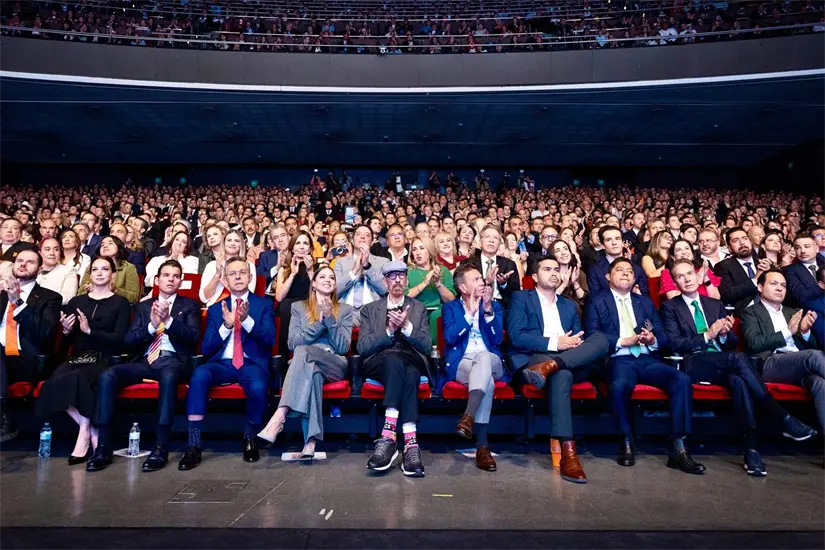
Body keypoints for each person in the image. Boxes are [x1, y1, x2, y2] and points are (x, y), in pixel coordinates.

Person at [661, 258, 817, 476]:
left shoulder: (715, 305)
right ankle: (780, 416)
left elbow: (733, 340)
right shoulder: (670, 307)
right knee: (738, 360)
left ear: (699, 276)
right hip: (693, 362)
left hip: (721, 361)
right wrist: (708, 334)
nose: (686, 279)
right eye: (680, 276)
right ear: (675, 281)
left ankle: (751, 450)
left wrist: (724, 335)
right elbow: (675, 344)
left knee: (739, 380)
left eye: (690, 273)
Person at [584, 259, 704, 474]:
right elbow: (593, 333)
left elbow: (663, 334)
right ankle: (626, 439)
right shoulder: (596, 300)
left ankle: (679, 446)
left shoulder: (645, 302)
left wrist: (652, 339)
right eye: (619, 270)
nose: (625, 274)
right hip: (618, 358)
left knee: (681, 380)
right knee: (619, 385)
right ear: (608, 277)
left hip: (647, 359)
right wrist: (623, 341)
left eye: (630, 271)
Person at [87, 259, 200, 472]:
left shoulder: (189, 305)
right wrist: (152, 326)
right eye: (166, 275)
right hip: (145, 361)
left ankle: (161, 446)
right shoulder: (144, 306)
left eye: (176, 276)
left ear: (181, 281)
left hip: (174, 361)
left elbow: (193, 337)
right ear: (156, 280)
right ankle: (102, 446)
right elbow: (129, 340)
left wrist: (169, 321)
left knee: (168, 376)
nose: (171, 279)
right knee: (108, 375)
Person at [507, 256, 610, 484]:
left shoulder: (568, 304)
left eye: (557, 269)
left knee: (601, 340)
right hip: (537, 356)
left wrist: (572, 346)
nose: (554, 273)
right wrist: (556, 343)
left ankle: (552, 367)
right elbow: (517, 336)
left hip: (566, 358)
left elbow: (578, 336)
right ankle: (569, 453)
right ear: (534, 276)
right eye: (547, 269)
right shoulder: (521, 298)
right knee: (562, 374)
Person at [179, 257, 276, 470]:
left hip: (251, 363)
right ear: (225, 279)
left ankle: (250, 438)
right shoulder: (215, 309)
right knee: (199, 376)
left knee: (259, 386)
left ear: (250, 277)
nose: (238, 276)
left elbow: (269, 340)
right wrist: (226, 325)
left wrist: (247, 320)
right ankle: (193, 445)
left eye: (242, 272)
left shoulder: (264, 305)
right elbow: (206, 349)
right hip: (222, 364)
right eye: (233, 273)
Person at [36, 256, 131, 465]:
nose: (99, 273)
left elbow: (120, 340)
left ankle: (83, 437)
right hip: (78, 357)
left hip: (104, 358)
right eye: (95, 269)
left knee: (79, 379)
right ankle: (90, 431)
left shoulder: (120, 303)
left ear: (112, 274)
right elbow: (68, 339)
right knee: (53, 383)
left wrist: (90, 331)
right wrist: (68, 331)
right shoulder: (77, 302)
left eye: (105, 269)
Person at [257, 267, 353, 457]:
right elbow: (292, 343)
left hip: (334, 363)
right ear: (314, 284)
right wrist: (319, 324)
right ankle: (310, 442)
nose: (327, 280)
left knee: (303, 353)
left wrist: (330, 320)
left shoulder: (344, 310)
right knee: (312, 372)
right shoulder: (299, 308)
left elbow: (342, 347)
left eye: (331, 277)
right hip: (307, 364)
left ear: (335, 285)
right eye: (322, 277)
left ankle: (280, 414)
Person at [741, 268, 825, 467]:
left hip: (798, 363)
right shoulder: (751, 312)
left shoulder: (792, 312)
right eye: (774, 284)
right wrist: (788, 331)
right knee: (814, 357)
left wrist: (804, 333)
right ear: (760, 287)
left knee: (820, 383)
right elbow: (754, 344)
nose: (780, 288)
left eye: (783, 285)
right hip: (771, 363)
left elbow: (810, 347)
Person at [358, 261, 431, 477]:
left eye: (401, 276)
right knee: (400, 365)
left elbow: (426, 346)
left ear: (407, 281)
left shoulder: (418, 308)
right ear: (385, 282)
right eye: (392, 276)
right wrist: (389, 330)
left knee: (408, 370)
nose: (397, 280)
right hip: (380, 360)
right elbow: (363, 347)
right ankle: (409, 443)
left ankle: (393, 439)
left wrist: (407, 328)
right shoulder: (370, 310)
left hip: (411, 358)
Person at [440, 263, 507, 471]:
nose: (482, 282)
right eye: (476, 279)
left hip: (491, 360)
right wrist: (469, 314)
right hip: (463, 362)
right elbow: (450, 338)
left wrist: (486, 310)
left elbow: (496, 340)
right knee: (486, 381)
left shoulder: (493, 305)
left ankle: (468, 416)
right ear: (462, 287)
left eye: (481, 279)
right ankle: (482, 446)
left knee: (485, 357)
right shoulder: (451, 308)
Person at [0, 250, 62, 442]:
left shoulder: (49, 298)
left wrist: (16, 302)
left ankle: (4, 416)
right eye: (19, 261)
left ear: (40, 268)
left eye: (30, 262)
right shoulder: (0, 295)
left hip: (26, 359)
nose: (23, 264)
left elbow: (44, 333)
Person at [334, 225, 388, 327]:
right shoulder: (341, 262)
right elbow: (334, 291)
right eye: (358, 234)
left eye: (367, 235)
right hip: (346, 312)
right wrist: (354, 271)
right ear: (352, 241)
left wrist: (367, 266)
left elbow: (384, 289)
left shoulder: (382, 261)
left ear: (372, 242)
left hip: (373, 311)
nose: (362, 237)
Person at [406, 236, 455, 343]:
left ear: (429, 250)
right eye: (414, 249)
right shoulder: (408, 271)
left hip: (437, 311)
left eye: (422, 248)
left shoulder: (442, 270)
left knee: (436, 315)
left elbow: (451, 300)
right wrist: (424, 284)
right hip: (415, 311)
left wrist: (438, 284)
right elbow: (404, 297)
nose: (418, 252)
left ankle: (433, 351)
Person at [275, 231, 315, 354]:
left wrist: (310, 272)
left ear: (310, 248)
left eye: (305, 243)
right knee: (286, 306)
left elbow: (319, 294)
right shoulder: (284, 269)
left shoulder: (318, 267)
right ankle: (285, 358)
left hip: (310, 304)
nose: (302, 247)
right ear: (292, 248)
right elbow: (279, 297)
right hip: (289, 307)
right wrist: (292, 274)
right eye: (298, 243)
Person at [714, 227, 769, 314]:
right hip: (745, 314)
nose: (742, 243)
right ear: (729, 248)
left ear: (750, 242)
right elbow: (728, 294)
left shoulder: (763, 262)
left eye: (745, 238)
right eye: (736, 240)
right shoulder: (723, 266)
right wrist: (755, 279)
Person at [464, 225, 521, 309]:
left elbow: (516, 293)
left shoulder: (509, 264)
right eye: (487, 237)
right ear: (480, 242)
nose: (491, 240)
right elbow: (463, 288)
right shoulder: (468, 264)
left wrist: (504, 284)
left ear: (499, 244)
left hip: (501, 306)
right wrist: (486, 282)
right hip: (475, 305)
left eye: (495, 238)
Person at [587, 226, 649, 297]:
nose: (614, 243)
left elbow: (645, 298)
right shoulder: (595, 270)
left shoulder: (637, 269)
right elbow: (595, 299)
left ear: (622, 242)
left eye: (617, 239)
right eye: (608, 240)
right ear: (603, 245)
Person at [200, 230, 257, 307]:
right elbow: (204, 298)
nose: (232, 243)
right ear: (224, 243)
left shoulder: (249, 266)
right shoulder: (211, 265)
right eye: (229, 240)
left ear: (241, 244)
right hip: (214, 308)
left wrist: (226, 284)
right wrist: (217, 276)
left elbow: (248, 296)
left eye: (236, 241)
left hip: (240, 308)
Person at [78, 236, 140, 304]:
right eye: (102, 245)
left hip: (116, 306)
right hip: (91, 304)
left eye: (110, 243)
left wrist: (115, 289)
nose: (105, 246)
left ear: (118, 247)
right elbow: (81, 293)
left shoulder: (128, 267)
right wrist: (90, 291)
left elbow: (133, 298)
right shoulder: (92, 266)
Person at [783, 233, 825, 307]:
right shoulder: (789, 271)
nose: (802, 251)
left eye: (807, 247)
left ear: (817, 249)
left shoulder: (823, 264)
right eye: (798, 248)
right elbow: (801, 296)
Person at [36, 238, 78, 305]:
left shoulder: (68, 271)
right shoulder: (33, 269)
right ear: (40, 252)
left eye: (56, 249)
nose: (52, 253)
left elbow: (68, 298)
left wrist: (42, 302)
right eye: (47, 249)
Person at [549, 238, 588, 308]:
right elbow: (547, 302)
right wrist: (564, 284)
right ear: (552, 255)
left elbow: (586, 302)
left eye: (565, 249)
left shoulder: (579, 273)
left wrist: (575, 283)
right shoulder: (549, 276)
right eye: (557, 251)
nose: (563, 252)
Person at [256, 225, 289, 294]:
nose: (280, 240)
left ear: (288, 236)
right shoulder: (265, 256)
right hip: (270, 296)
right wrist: (276, 268)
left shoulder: (298, 253)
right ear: (272, 241)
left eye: (283, 235)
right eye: (275, 237)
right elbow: (258, 277)